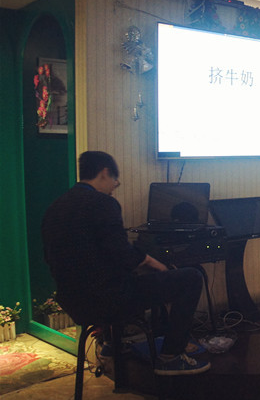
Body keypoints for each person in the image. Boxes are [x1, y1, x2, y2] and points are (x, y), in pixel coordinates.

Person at [41, 151, 210, 376]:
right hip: (108, 300)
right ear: (104, 173)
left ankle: (112, 344)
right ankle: (172, 356)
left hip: (74, 303)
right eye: (115, 180)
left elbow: (66, 257)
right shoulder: (102, 203)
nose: (114, 186)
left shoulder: (55, 208)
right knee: (191, 278)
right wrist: (152, 262)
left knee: (130, 279)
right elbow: (121, 253)